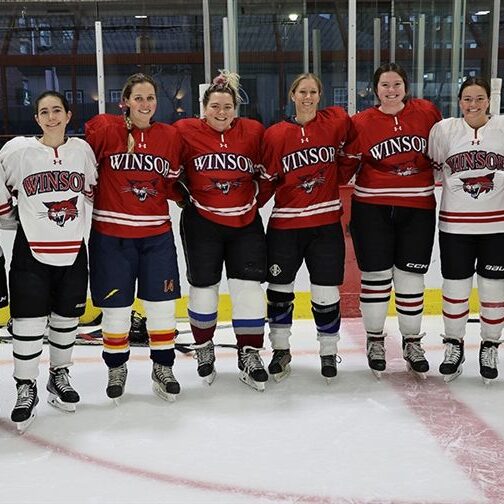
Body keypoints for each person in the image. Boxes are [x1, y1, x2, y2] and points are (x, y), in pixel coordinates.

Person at [0, 91, 97, 431]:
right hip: (31, 251)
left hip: (73, 249)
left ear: (68, 115)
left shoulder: (82, 151)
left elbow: (92, 192)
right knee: (27, 322)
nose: (51, 116)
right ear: (37, 118)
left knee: (66, 319)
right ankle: (25, 386)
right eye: (44, 111)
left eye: (57, 110)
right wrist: (16, 217)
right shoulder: (17, 151)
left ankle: (59, 376)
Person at [85, 73, 183, 402]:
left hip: (156, 235)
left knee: (162, 307)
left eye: (150, 98)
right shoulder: (104, 129)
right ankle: (116, 366)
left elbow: (170, 183)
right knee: (116, 310)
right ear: (125, 101)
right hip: (111, 237)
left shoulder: (169, 136)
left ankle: (163, 366)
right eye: (138, 98)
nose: (145, 104)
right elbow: (86, 172)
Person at [344, 63, 441, 378]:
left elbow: (441, 153)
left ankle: (412, 341)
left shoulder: (426, 112)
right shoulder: (360, 122)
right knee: (375, 277)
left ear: (406, 86)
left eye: (396, 84)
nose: (391, 90)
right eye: (385, 85)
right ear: (375, 89)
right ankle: (375, 340)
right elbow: (346, 167)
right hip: (372, 208)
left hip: (418, 207)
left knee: (411, 278)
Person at [174, 70, 268, 391]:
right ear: (204, 107)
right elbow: (168, 170)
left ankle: (250, 352)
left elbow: (267, 173)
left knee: (249, 290)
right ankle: (203, 349)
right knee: (203, 289)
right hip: (202, 224)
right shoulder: (184, 131)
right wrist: (180, 198)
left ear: (235, 109)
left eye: (227, 106)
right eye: (215, 106)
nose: (221, 112)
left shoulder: (253, 132)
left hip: (245, 224)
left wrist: (256, 201)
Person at [261, 72, 353, 382]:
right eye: (302, 91)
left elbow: (353, 146)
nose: (308, 97)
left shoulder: (334, 122)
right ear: (292, 95)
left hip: (325, 226)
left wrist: (342, 173)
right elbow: (268, 180)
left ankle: (328, 351)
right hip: (285, 226)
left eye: (314, 91)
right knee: (279, 291)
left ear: (320, 95)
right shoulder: (275, 135)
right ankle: (280, 349)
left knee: (326, 292)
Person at [429, 77, 504, 383]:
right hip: (455, 225)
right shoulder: (444, 130)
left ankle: (489, 345)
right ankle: (453, 345)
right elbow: (435, 166)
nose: (473, 104)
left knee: (492, 289)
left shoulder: (502, 128)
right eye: (467, 99)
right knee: (455, 290)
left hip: (496, 226)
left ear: (488, 100)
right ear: (459, 101)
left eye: (479, 98)